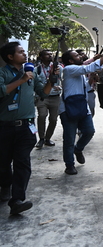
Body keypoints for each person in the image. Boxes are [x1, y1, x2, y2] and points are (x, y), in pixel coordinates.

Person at [0, 42, 53, 215]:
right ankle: (5, 186)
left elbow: (43, 93)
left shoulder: (33, 73)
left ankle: (17, 200)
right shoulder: (3, 73)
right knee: (4, 163)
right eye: (21, 52)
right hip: (5, 127)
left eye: (24, 52)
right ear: (10, 56)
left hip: (26, 127)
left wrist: (52, 80)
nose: (25, 54)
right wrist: (21, 80)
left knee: (22, 162)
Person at [60, 48, 103, 175]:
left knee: (89, 131)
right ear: (70, 60)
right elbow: (86, 68)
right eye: (77, 56)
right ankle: (69, 165)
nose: (80, 56)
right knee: (69, 139)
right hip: (68, 109)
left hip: (82, 107)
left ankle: (78, 149)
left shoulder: (77, 72)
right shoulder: (68, 69)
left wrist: (91, 80)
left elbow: (86, 87)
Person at [34, 49, 62, 148]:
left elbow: (62, 80)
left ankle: (47, 138)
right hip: (42, 97)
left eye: (51, 54)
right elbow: (36, 83)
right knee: (42, 116)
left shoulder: (58, 68)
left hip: (55, 97)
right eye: (47, 54)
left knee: (53, 119)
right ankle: (41, 138)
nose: (50, 56)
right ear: (41, 57)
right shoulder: (37, 69)